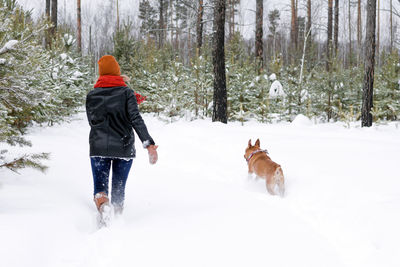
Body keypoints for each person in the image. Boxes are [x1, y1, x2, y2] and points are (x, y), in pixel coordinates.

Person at [86, 55, 158, 215]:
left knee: (100, 189)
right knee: (119, 188)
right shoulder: (127, 93)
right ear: (117, 72)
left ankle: (103, 206)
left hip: (98, 147)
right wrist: (149, 144)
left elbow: (92, 121)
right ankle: (117, 217)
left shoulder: (92, 95)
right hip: (123, 147)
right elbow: (135, 119)